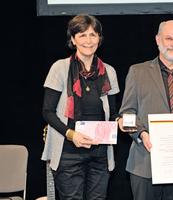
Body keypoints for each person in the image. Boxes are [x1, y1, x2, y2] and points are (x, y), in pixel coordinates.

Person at [118, 20, 173, 200]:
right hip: (144, 163)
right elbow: (127, 113)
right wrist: (141, 133)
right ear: (158, 40)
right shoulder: (137, 71)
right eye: (169, 38)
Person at [41, 14, 120, 200]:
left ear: (99, 39)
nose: (88, 41)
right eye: (82, 35)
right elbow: (47, 112)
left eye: (93, 35)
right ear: (73, 39)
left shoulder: (109, 71)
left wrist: (121, 121)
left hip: (100, 152)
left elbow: (113, 112)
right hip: (68, 151)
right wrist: (71, 134)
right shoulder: (59, 68)